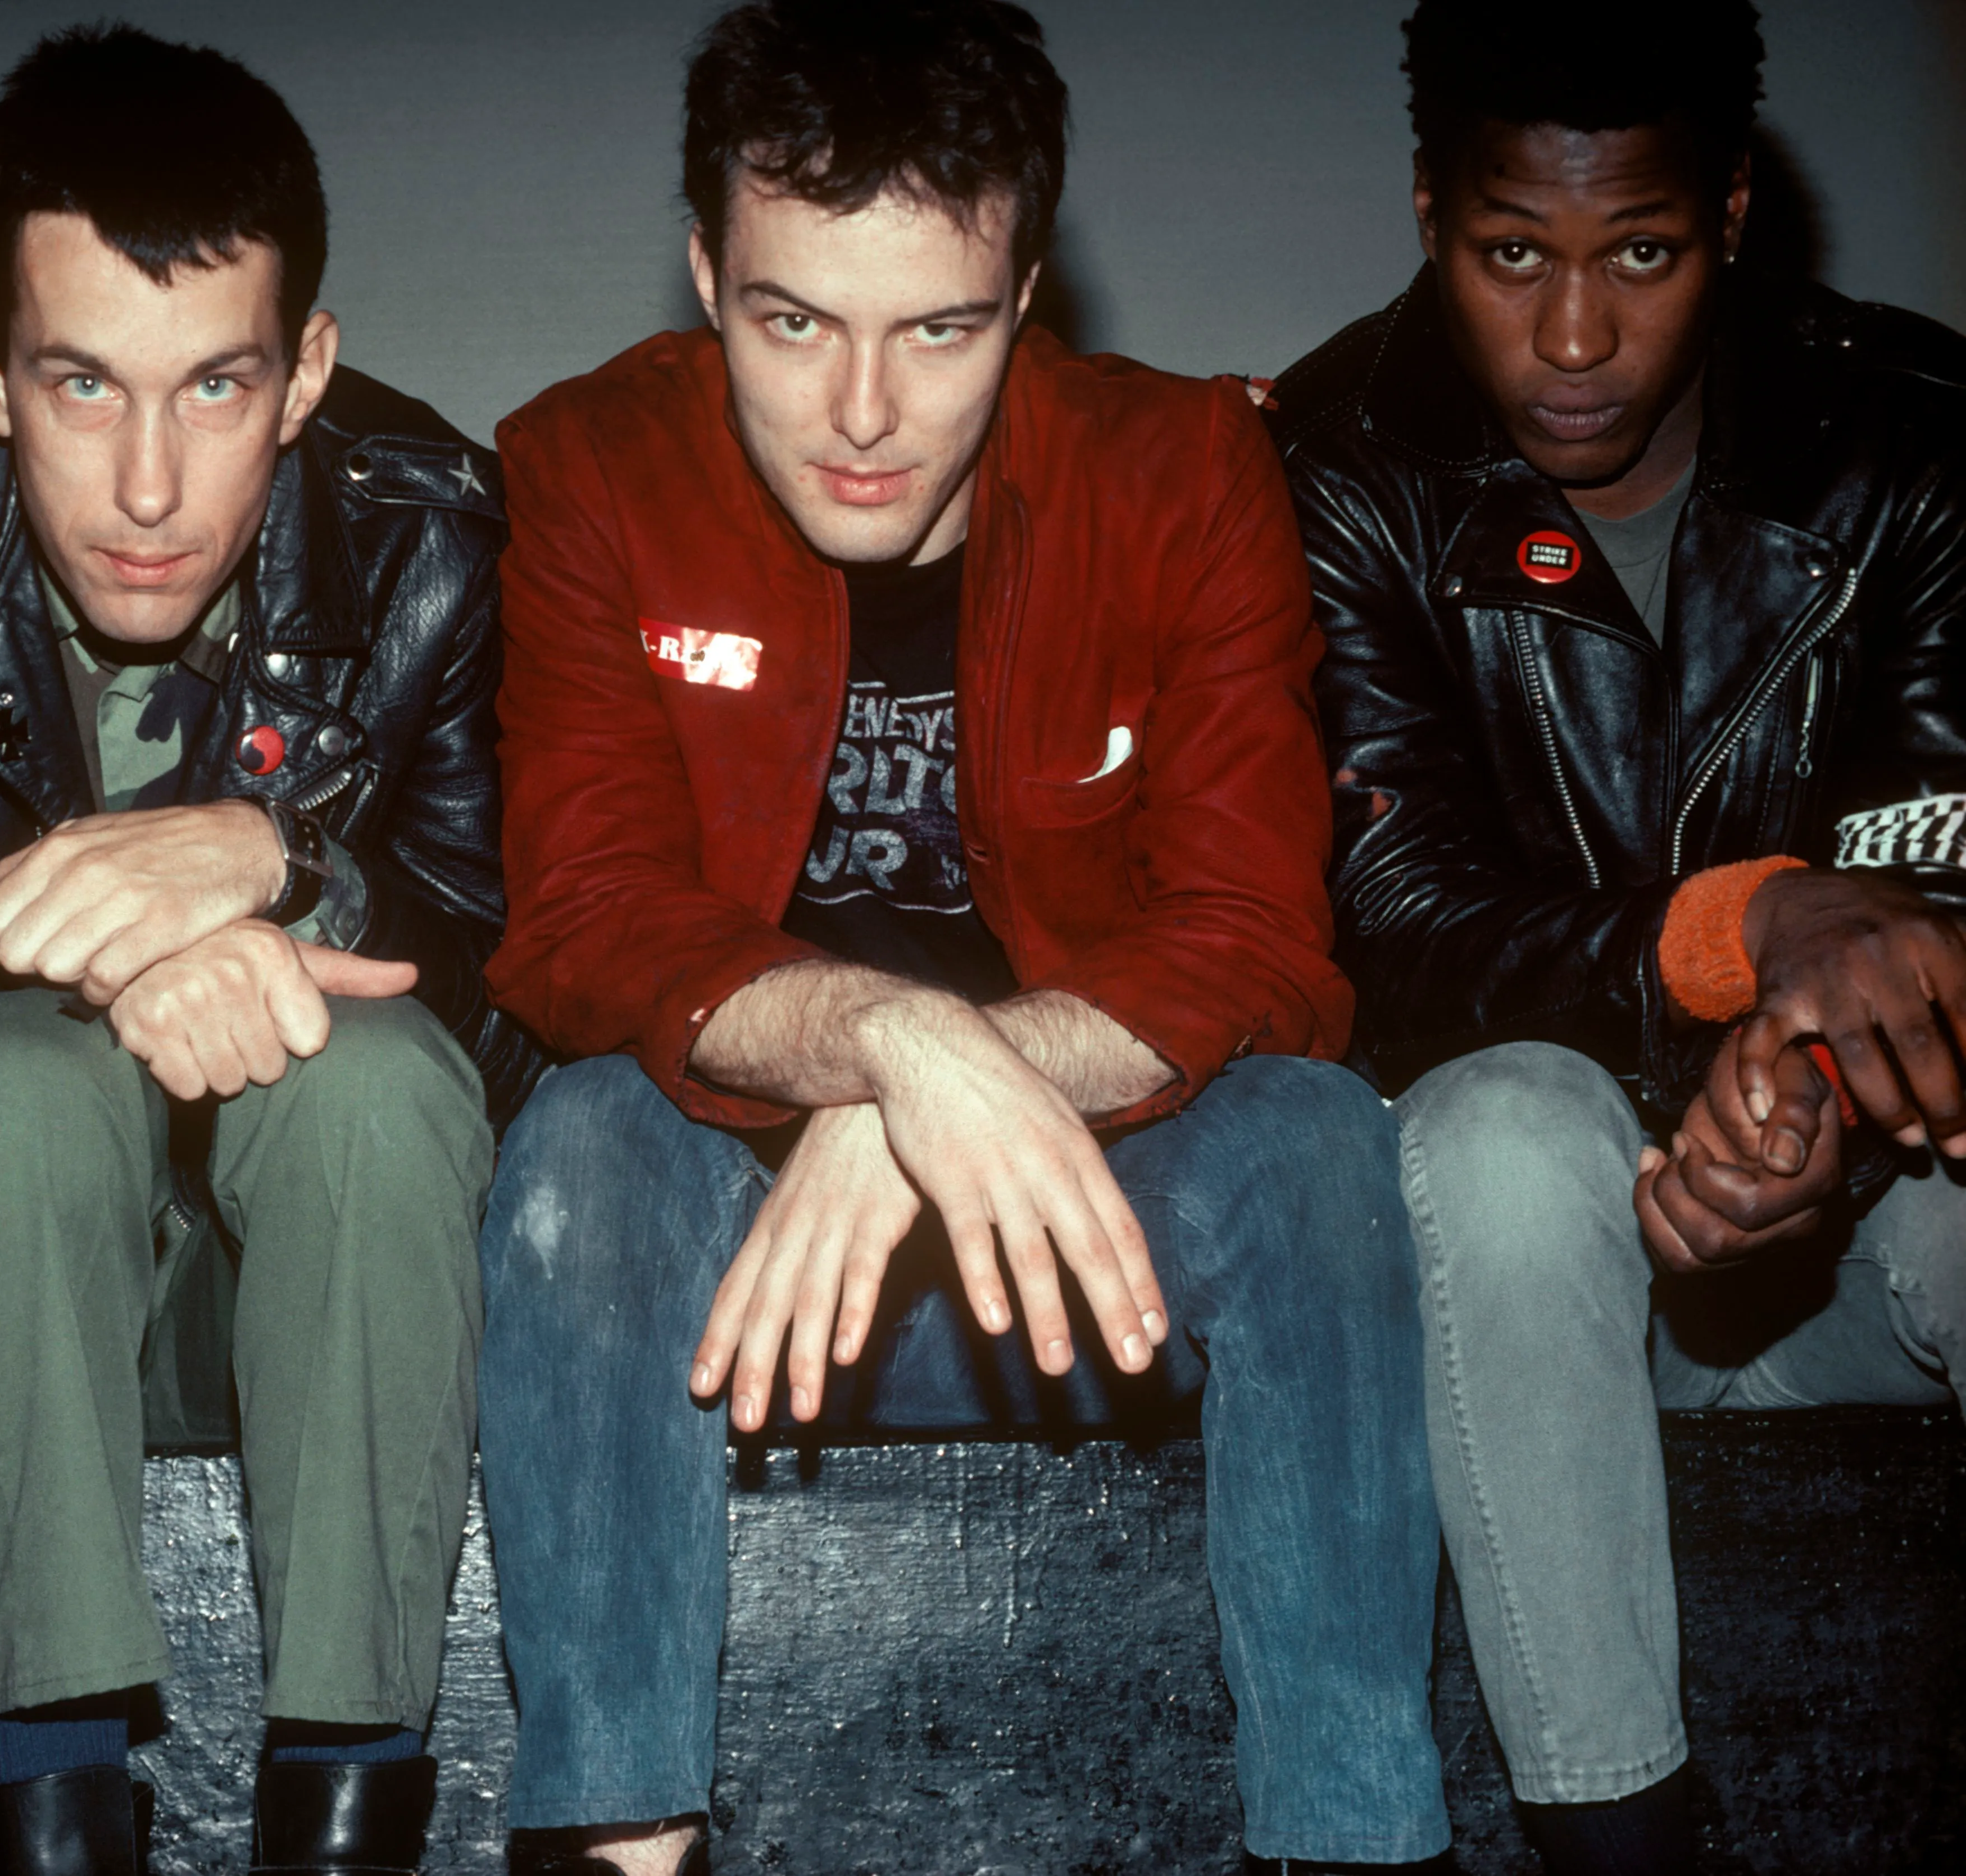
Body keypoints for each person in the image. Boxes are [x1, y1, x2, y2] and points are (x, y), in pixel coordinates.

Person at [474, 5, 1454, 1873]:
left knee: (1324, 1145)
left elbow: (1261, 937)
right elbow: (584, 917)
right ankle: (613, 1849)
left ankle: (1351, 1843)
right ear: (703, 273)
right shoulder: (588, 464)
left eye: (939, 328)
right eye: (790, 322)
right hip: (730, 1267)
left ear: (1027, 293)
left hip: (1094, 1244)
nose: (861, 413)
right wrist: (904, 1047)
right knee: (582, 1141)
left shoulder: (1181, 469)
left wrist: (922, 1093)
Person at [0, 26, 534, 1876]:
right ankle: (53, 1822)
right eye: (81, 383)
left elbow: (505, 973)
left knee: (381, 1080)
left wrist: (274, 865)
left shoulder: (434, 536)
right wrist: (90, 951)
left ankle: (345, 1822)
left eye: (218, 386)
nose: (151, 486)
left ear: (306, 369)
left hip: (334, 1306)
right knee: (12, 1087)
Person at [1265, 3, 1966, 1871]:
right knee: (1501, 1126)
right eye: (1511, 256)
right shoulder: (1331, 466)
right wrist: (1743, 935)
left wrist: (1809, 1087)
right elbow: (1382, 925)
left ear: (1730, 214)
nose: (1571, 337)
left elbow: (1949, 870)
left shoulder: (1915, 439)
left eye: (1638, 253)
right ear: (1429, 216)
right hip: (1517, 1293)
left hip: (1855, 1264)